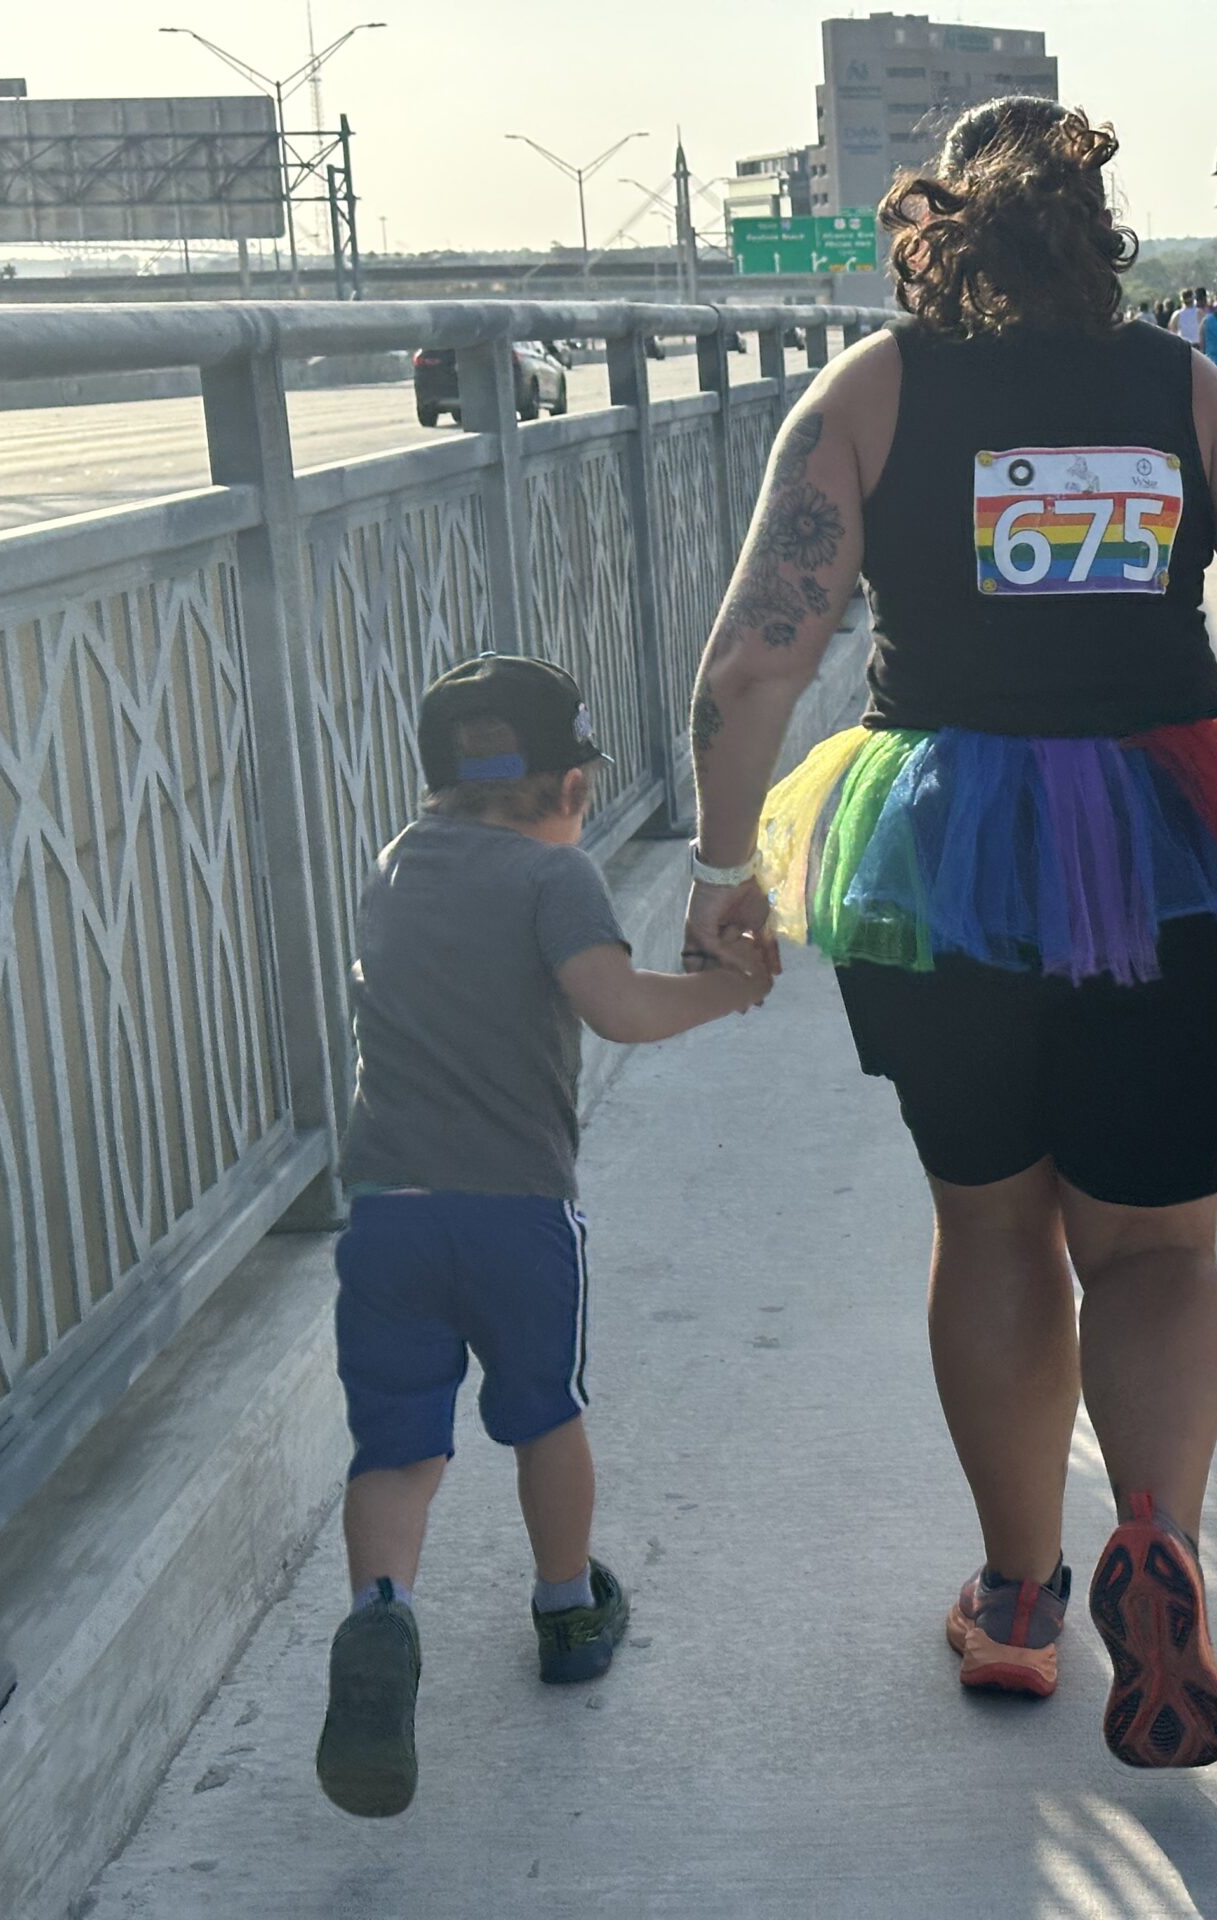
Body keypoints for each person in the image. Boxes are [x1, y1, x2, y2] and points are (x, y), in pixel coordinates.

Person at [680, 98, 1217, 1770]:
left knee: (994, 1226)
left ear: (934, 229)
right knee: (1156, 1246)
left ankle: (1021, 1597)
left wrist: (725, 865)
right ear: (1098, 231)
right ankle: (1155, 1528)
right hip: (1171, 847)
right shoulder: (1180, 392)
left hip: (941, 860)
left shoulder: (872, 394)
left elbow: (750, 663)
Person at [313, 656, 771, 1819]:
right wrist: (723, 991)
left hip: (387, 1217)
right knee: (543, 1414)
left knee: (398, 1451)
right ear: (573, 786)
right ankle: (568, 1606)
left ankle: (382, 1617)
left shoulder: (395, 868)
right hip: (517, 1215)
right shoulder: (551, 878)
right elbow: (615, 1006)